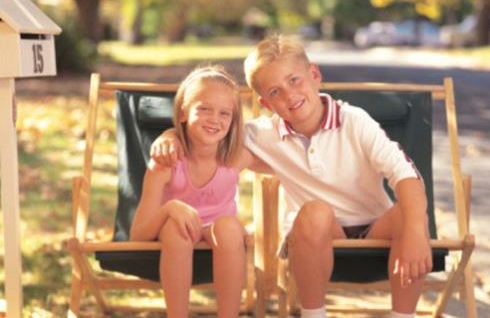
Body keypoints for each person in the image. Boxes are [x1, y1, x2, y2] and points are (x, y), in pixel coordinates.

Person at [150, 35, 432, 318]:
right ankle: (313, 314)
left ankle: (403, 315)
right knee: (316, 211)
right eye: (275, 92)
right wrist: (172, 134)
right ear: (266, 104)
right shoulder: (262, 135)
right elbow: (211, 135)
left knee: (411, 215)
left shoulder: (355, 121)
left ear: (314, 74)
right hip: (312, 236)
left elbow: (405, 174)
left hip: (375, 229)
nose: (288, 95)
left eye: (294, 80)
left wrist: (417, 234)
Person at [130, 65, 268, 318]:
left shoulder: (236, 158)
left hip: (222, 238)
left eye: (225, 113)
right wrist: (170, 209)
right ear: (183, 113)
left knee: (228, 227)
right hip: (177, 238)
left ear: (233, 121)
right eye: (204, 109)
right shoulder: (166, 163)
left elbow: (290, 164)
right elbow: (138, 234)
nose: (214, 119)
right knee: (175, 228)